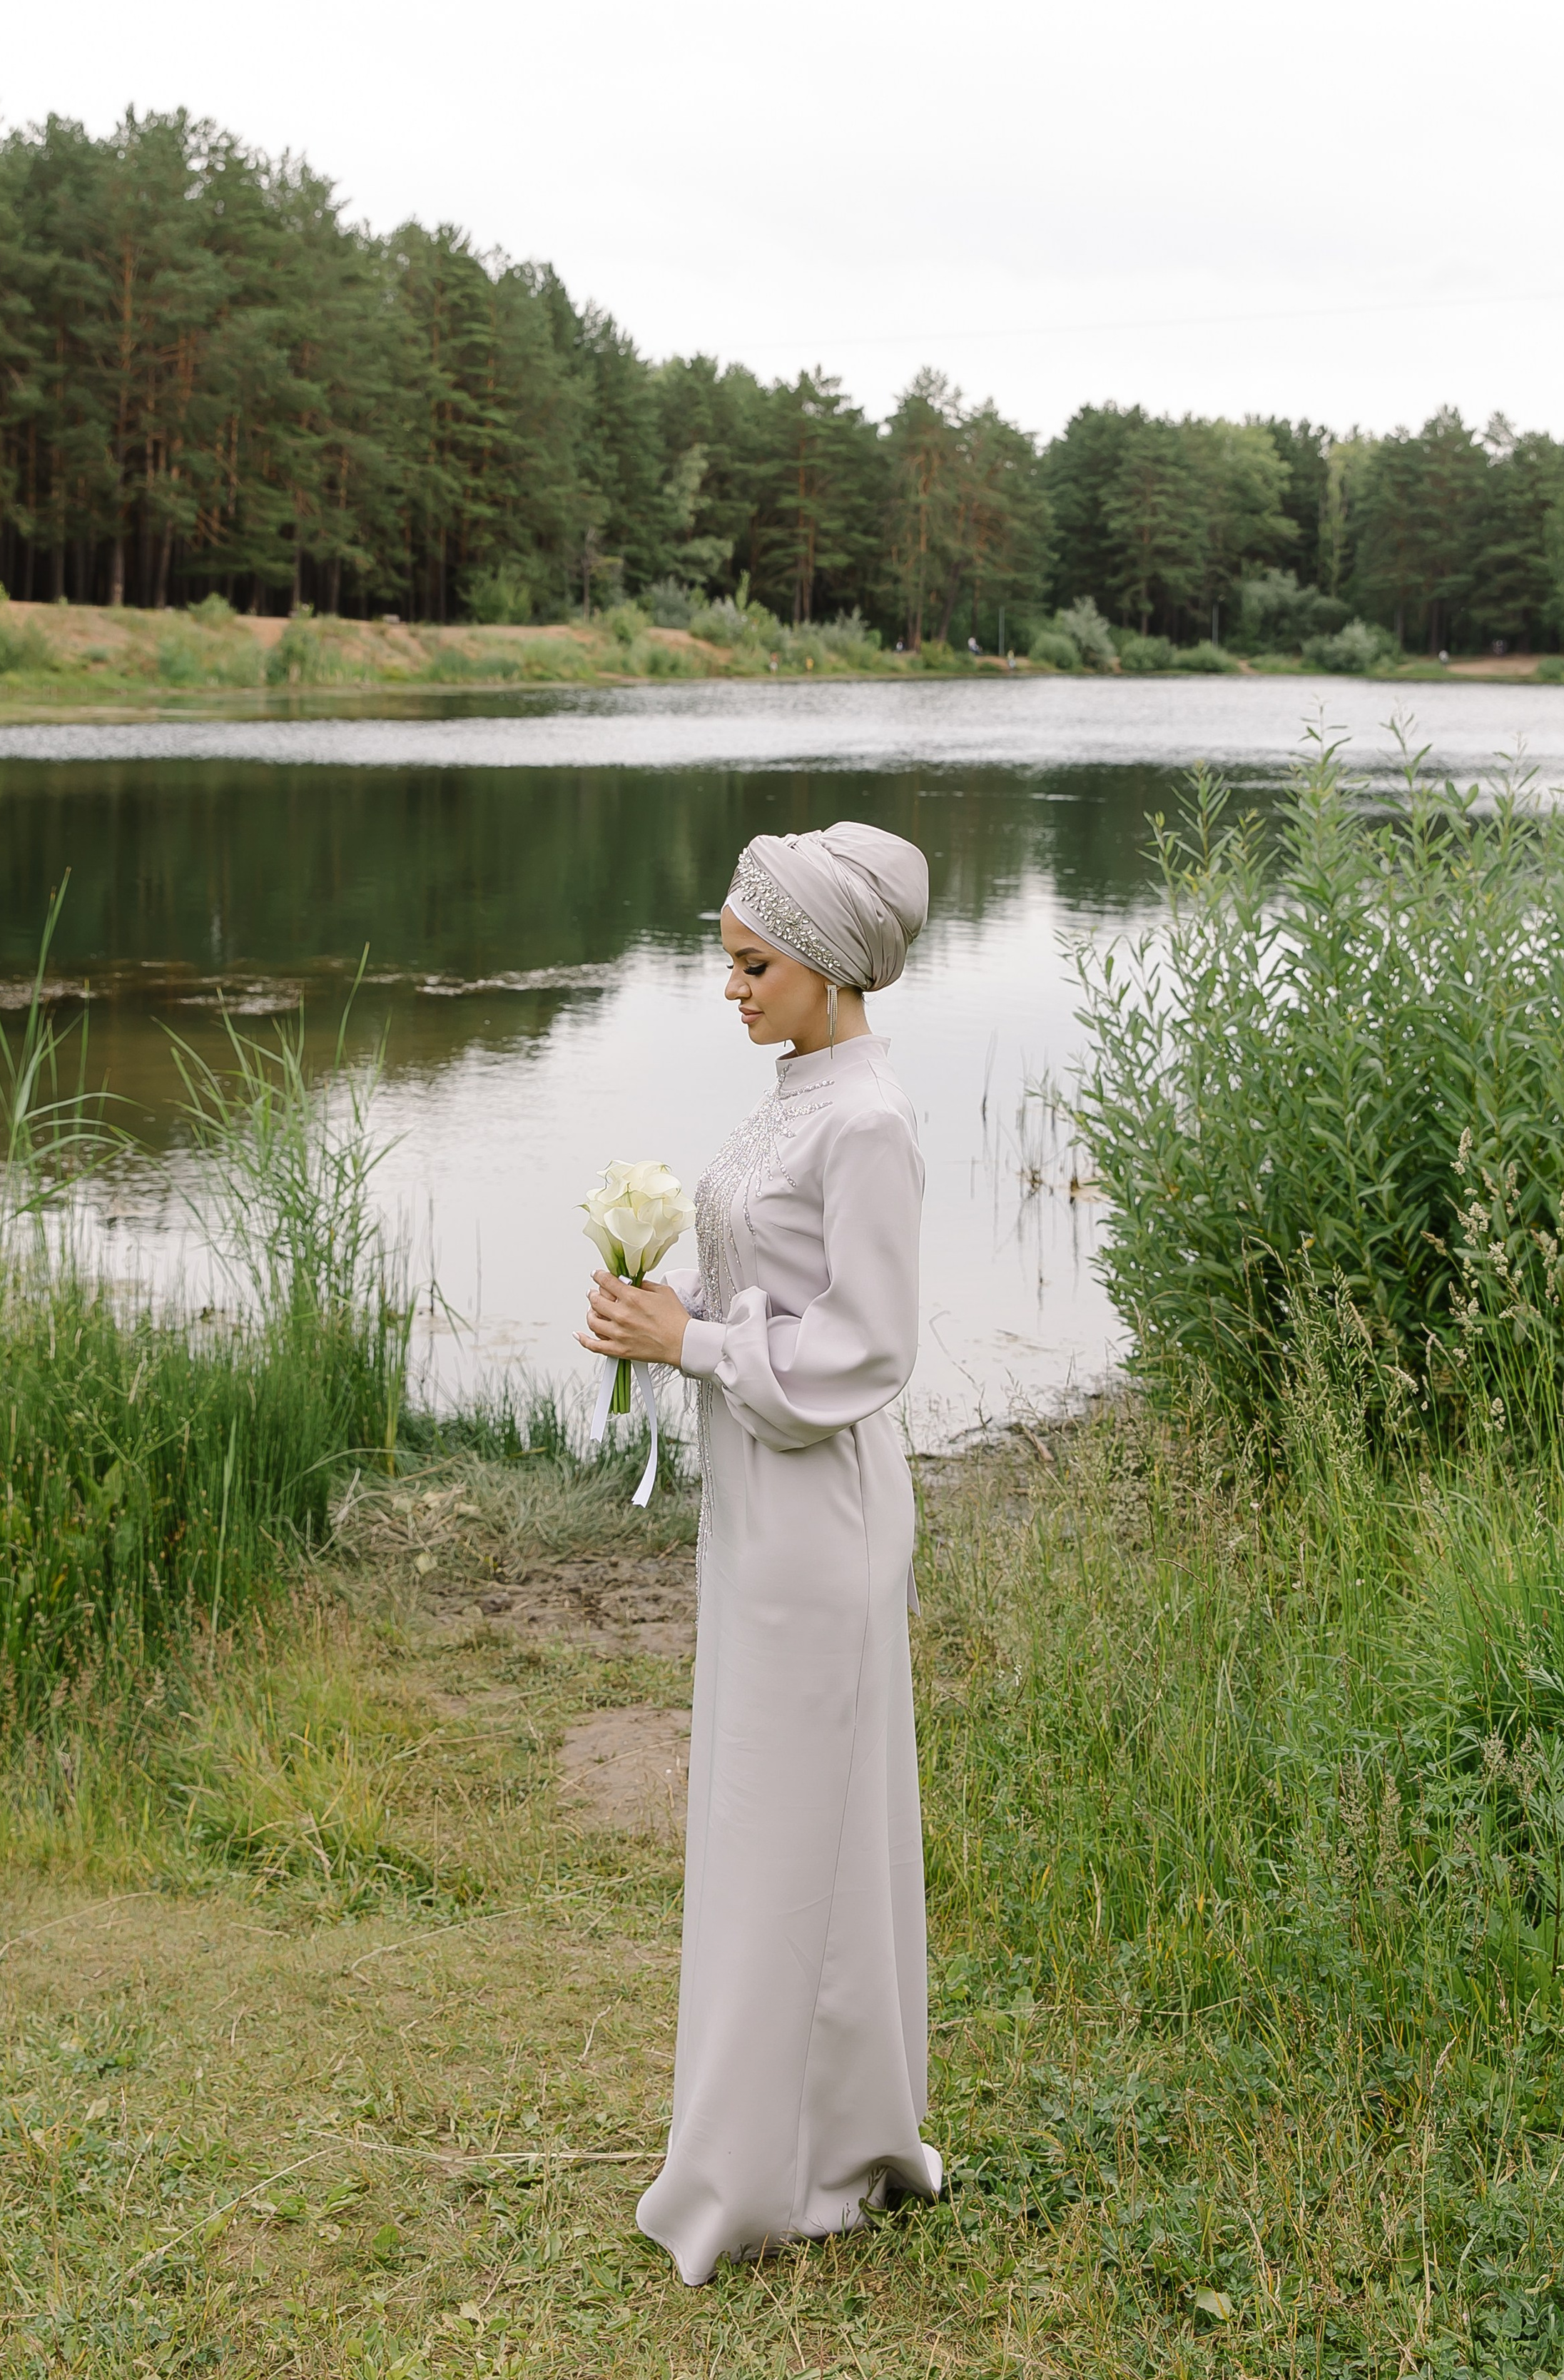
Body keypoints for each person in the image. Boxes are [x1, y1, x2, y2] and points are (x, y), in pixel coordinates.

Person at [579, 821, 941, 2286]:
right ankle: (801, 2137)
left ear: (830, 967)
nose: (728, 986)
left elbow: (865, 1354)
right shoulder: (796, 1088)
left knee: (802, 1825)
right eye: (726, 959)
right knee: (767, 1817)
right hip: (757, 1494)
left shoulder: (868, 1123)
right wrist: (657, 1313)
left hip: (822, 1507)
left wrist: (695, 1340)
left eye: (751, 964)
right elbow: (765, 1293)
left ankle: (794, 2163)